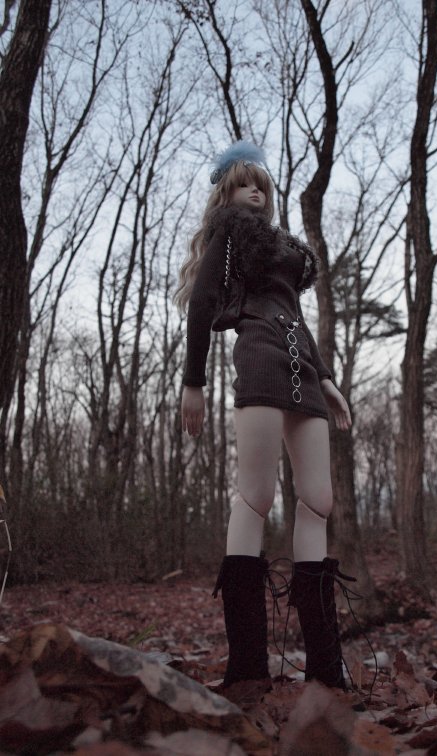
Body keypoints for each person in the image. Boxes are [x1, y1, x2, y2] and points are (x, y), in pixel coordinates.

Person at [174, 141, 352, 690]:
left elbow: (297, 315)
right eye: (244, 184)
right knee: (255, 497)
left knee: (318, 501)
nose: (255, 192)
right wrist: (193, 381)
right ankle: (248, 666)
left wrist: (327, 379)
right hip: (259, 358)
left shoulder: (281, 247)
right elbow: (202, 302)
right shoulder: (231, 235)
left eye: (262, 186)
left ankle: (326, 668)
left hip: (304, 369)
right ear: (225, 193)